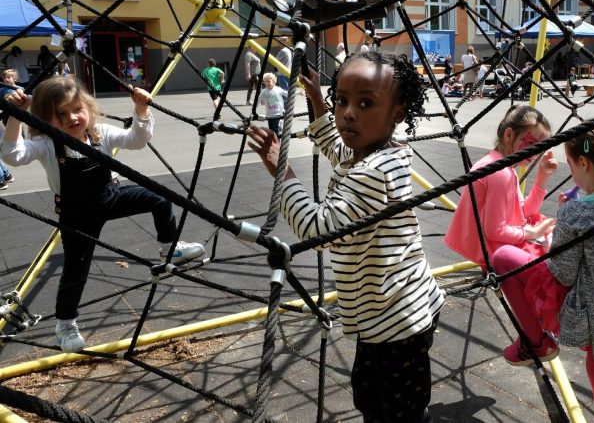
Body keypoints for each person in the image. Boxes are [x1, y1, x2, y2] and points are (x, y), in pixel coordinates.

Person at [247, 51, 443, 421]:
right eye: (342, 100)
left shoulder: (372, 172)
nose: (348, 112)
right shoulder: (380, 151)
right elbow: (338, 150)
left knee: (391, 405)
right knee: (379, 396)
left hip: (393, 320)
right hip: (399, 307)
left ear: (397, 114)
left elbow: (318, 230)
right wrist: (318, 101)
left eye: (365, 103)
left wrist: (283, 174)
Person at [0, 77, 205, 353]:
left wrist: (141, 110)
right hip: (77, 214)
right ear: (46, 118)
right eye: (61, 114)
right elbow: (13, 155)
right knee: (76, 270)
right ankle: (65, 324)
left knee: (160, 198)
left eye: (77, 109)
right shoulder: (48, 144)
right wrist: (17, 116)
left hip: (111, 196)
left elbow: (137, 139)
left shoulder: (100, 133)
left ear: (88, 108)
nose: (72, 117)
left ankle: (170, 248)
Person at [492, 122, 594, 423]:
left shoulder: (577, 214)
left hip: (585, 314)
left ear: (584, 163)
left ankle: (535, 341)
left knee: (504, 258)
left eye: (570, 165)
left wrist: (555, 235)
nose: (571, 174)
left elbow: (562, 273)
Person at [444, 105, 556, 270]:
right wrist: (533, 233)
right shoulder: (500, 173)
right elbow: (495, 231)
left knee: (547, 228)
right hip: (491, 251)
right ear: (509, 135)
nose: (535, 153)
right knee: (553, 260)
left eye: (541, 147)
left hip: (489, 244)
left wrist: (542, 178)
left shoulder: (500, 164)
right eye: (531, 143)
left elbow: (522, 212)